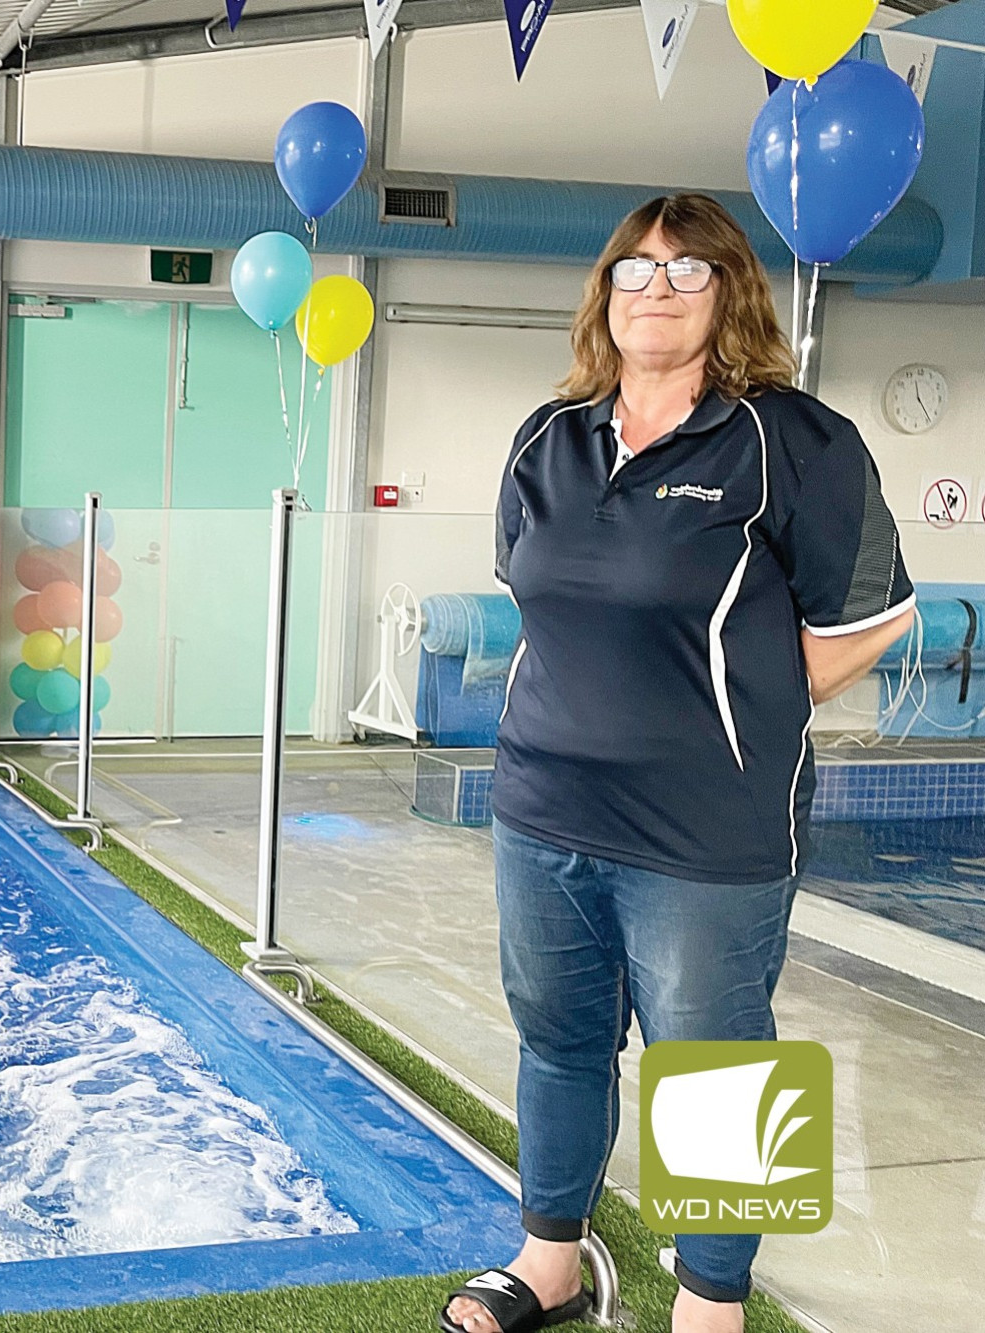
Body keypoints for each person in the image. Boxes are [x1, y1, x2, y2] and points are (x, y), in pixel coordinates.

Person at [440, 194, 917, 1333]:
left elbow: (873, 617)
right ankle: (547, 1260)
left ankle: (711, 1304)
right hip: (541, 804)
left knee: (717, 1067)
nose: (654, 289)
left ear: (729, 292)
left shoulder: (791, 440)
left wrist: (746, 706)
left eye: (685, 270)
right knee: (558, 1041)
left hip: (706, 827)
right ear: (603, 294)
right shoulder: (547, 437)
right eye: (634, 270)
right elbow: (532, 591)